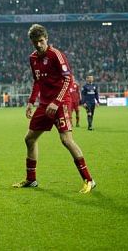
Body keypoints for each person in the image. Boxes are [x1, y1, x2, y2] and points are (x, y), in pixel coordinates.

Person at [12, 24, 96, 193]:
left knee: (66, 140)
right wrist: (30, 102)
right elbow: (37, 82)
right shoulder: (33, 58)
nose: (38, 45)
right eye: (35, 42)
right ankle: (31, 180)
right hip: (44, 104)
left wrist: (57, 102)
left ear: (47, 39)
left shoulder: (56, 55)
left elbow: (68, 80)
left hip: (60, 103)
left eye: (41, 41)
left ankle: (89, 180)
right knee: (29, 139)